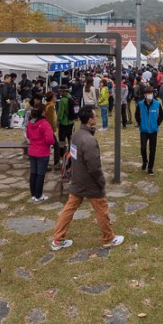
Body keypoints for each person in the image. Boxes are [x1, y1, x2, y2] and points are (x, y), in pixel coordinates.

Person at [50, 106, 124, 251]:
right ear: (90, 120)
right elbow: (94, 166)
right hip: (90, 183)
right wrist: (101, 181)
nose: (96, 118)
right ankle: (108, 238)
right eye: (94, 116)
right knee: (102, 210)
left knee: (68, 209)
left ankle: (57, 239)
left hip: (77, 179)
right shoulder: (89, 141)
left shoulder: (76, 135)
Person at [26, 104, 56, 203]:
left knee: (33, 173)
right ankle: (39, 195)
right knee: (40, 174)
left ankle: (34, 194)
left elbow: (28, 136)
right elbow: (50, 139)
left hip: (32, 150)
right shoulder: (44, 124)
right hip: (42, 152)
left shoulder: (30, 123)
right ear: (43, 112)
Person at [135, 86, 163, 175]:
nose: (150, 95)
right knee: (143, 147)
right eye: (148, 94)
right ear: (145, 95)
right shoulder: (140, 104)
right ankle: (145, 161)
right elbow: (136, 115)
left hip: (153, 131)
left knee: (152, 149)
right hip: (144, 130)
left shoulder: (157, 104)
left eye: (151, 93)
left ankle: (150, 167)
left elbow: (161, 116)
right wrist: (141, 123)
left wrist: (156, 124)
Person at [57, 85, 75, 159]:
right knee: (70, 138)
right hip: (71, 122)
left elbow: (60, 113)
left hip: (64, 123)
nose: (59, 92)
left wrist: (58, 121)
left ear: (64, 91)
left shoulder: (63, 100)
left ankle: (62, 154)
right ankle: (72, 153)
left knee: (62, 139)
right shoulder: (71, 97)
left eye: (60, 91)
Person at [44, 91, 61, 169]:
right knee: (56, 145)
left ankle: (47, 163)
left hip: (47, 128)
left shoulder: (47, 105)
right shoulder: (50, 106)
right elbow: (50, 119)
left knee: (48, 146)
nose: (55, 98)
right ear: (51, 98)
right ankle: (56, 163)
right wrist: (54, 128)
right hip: (49, 129)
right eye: (54, 97)